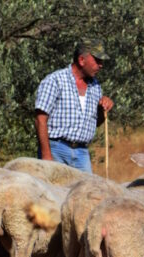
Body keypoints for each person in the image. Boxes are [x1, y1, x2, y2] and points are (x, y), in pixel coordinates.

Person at [34, 38, 114, 173]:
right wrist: (47, 155)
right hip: (56, 148)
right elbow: (40, 119)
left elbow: (95, 123)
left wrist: (102, 109)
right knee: (55, 192)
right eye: (97, 60)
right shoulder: (55, 80)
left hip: (82, 153)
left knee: (87, 193)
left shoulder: (96, 86)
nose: (101, 65)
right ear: (82, 60)